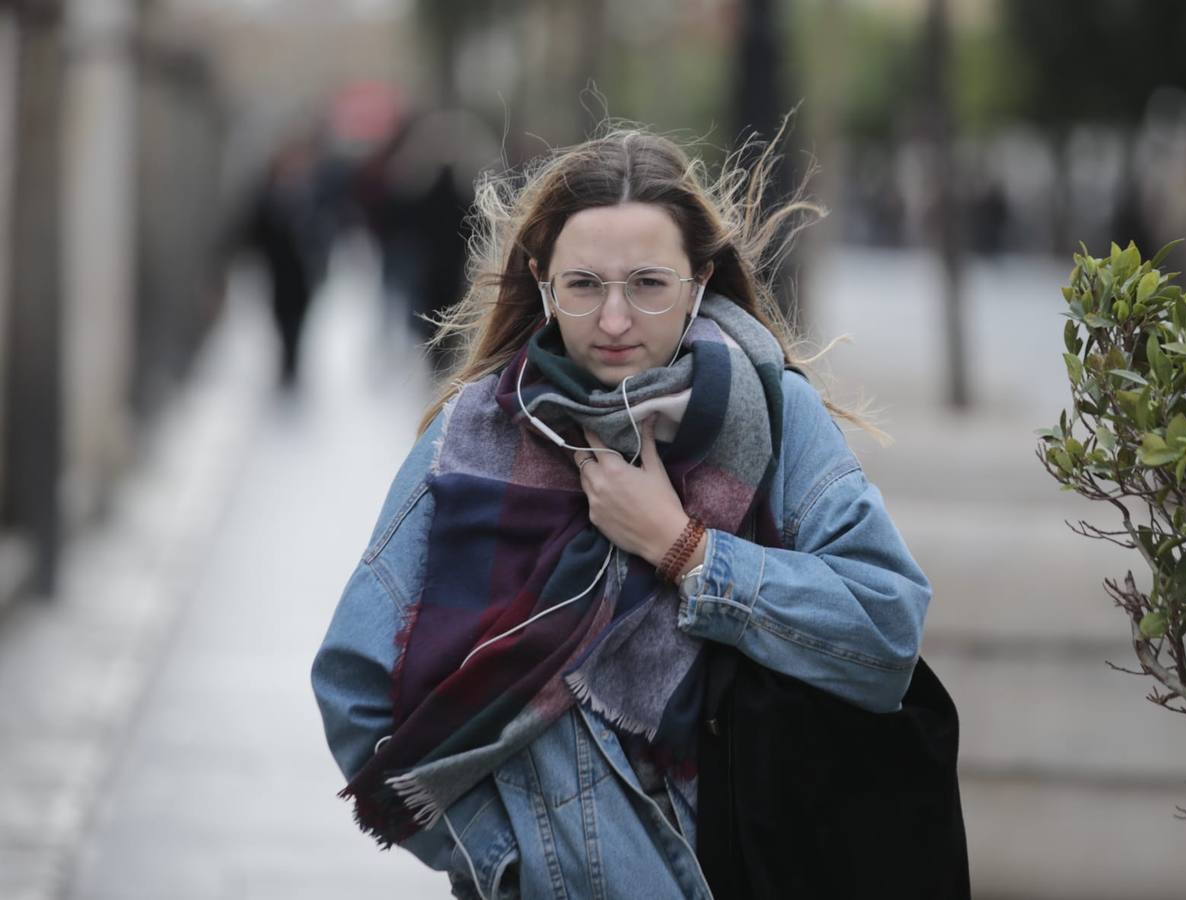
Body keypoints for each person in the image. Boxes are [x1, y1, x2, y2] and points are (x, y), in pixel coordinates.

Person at [311, 126, 934, 899]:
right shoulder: (476, 437)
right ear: (542, 281)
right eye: (583, 286)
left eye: (647, 284)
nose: (613, 321)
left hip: (764, 860)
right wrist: (512, 860)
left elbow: (885, 627)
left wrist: (684, 549)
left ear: (699, 280)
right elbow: (353, 683)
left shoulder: (776, 416)